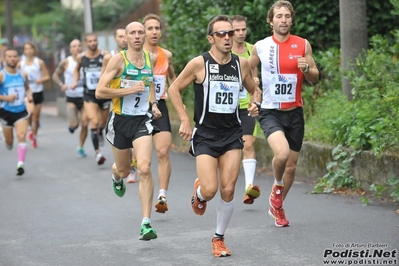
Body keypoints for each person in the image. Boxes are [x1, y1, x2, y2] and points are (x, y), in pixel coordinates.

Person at [168, 14, 261, 257]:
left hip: (232, 134)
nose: (228, 37)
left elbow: (254, 90)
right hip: (206, 135)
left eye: (230, 33)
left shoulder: (241, 64)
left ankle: (218, 238)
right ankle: (199, 192)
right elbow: (173, 88)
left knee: (228, 190)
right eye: (222, 34)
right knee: (210, 191)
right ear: (211, 38)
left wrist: (254, 104)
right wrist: (185, 118)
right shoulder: (199, 64)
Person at [248, 0, 319, 227]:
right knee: (282, 154)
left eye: (287, 16)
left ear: (292, 19)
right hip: (270, 111)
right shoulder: (261, 46)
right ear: (271, 21)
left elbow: (315, 76)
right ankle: (277, 185)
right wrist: (254, 85)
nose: (283, 20)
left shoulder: (303, 44)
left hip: (294, 111)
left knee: (292, 165)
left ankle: (277, 206)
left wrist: (307, 69)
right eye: (279, 16)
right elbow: (247, 68)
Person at [96, 21, 161, 241]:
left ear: (144, 36)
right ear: (125, 37)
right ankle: (116, 176)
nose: (137, 36)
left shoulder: (151, 59)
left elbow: (150, 84)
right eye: (132, 33)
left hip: (142, 121)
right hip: (120, 121)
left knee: (144, 168)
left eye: (140, 32)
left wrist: (153, 104)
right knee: (124, 170)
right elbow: (100, 91)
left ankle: (146, 222)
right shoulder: (118, 60)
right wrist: (129, 90)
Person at [142, 13, 177, 213]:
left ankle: (162, 195)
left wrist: (176, 91)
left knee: (163, 151)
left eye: (157, 28)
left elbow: (173, 78)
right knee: (141, 159)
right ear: (143, 32)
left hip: (160, 106)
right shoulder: (136, 55)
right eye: (150, 28)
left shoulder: (167, 55)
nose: (154, 32)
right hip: (138, 108)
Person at [231, 15, 262, 205]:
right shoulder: (224, 51)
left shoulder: (253, 50)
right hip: (225, 109)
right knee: (228, 149)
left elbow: (255, 81)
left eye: (244, 29)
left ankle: (249, 188)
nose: (241, 33)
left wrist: (255, 101)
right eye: (237, 30)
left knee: (248, 144)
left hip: (245, 106)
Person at [102, 26, 138, 183]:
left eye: (126, 35)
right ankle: (121, 170)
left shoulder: (142, 57)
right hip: (119, 106)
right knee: (125, 149)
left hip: (139, 110)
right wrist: (125, 89)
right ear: (115, 39)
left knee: (138, 145)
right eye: (121, 36)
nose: (124, 38)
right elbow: (103, 85)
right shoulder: (110, 57)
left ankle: (136, 169)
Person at [72, 34, 110, 165]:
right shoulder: (81, 57)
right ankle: (98, 153)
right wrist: (75, 81)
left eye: (95, 41)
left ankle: (100, 131)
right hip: (89, 95)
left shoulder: (105, 55)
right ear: (85, 43)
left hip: (104, 94)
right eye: (90, 41)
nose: (93, 43)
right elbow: (76, 70)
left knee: (103, 123)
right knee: (93, 120)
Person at [52, 39, 88, 158]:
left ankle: (81, 147)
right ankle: (72, 126)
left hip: (85, 96)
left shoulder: (86, 59)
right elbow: (55, 75)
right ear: (70, 49)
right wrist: (61, 85)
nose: (77, 48)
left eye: (79, 45)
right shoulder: (65, 62)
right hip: (71, 97)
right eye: (74, 46)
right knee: (75, 125)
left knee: (85, 123)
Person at [0, 48, 33, 175]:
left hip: (21, 111)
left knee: (21, 135)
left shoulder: (23, 74)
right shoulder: (2, 75)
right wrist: (6, 98)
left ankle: (20, 164)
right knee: (9, 143)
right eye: (9, 56)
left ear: (18, 58)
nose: (12, 59)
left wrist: (29, 95)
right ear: (5, 59)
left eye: (15, 56)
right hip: (5, 112)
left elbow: (28, 89)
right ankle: (7, 140)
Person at [18, 42, 50, 148]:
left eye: (30, 48)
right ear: (24, 51)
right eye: (26, 49)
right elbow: (17, 78)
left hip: (38, 91)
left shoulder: (39, 62)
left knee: (36, 118)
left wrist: (40, 79)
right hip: (27, 93)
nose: (29, 51)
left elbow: (47, 76)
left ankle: (34, 136)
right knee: (29, 114)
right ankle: (30, 129)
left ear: (34, 50)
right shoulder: (20, 64)